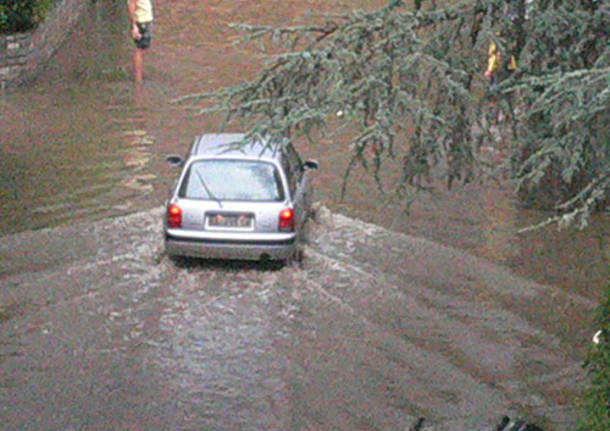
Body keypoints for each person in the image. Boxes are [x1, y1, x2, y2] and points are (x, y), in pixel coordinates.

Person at [127, 0, 154, 85]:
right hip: (141, 22)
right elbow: (131, 5)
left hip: (146, 20)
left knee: (143, 48)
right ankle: (138, 78)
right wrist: (134, 26)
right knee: (140, 49)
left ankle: (139, 76)